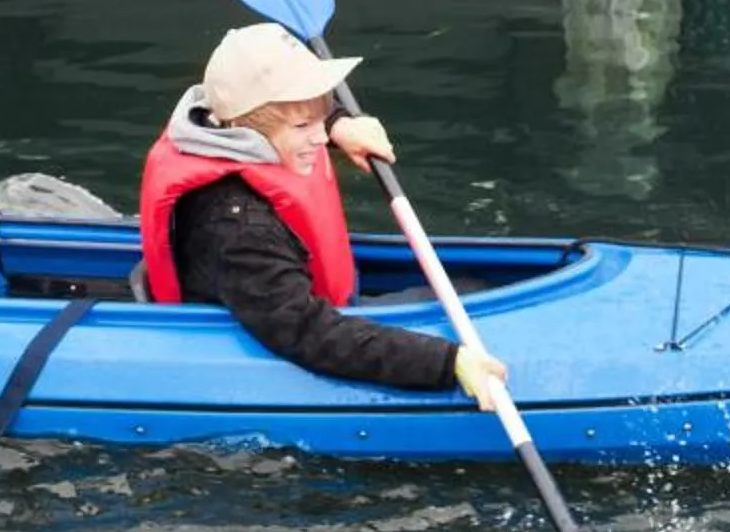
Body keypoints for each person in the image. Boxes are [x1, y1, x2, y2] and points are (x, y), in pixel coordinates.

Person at [139, 22, 507, 406]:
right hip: (285, 324)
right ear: (247, 132)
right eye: (304, 127)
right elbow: (309, 332)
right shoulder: (239, 228)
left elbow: (292, 117)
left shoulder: (217, 123)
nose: (319, 138)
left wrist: (339, 123)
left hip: (301, 294)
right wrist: (445, 364)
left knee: (476, 288)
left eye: (320, 121)